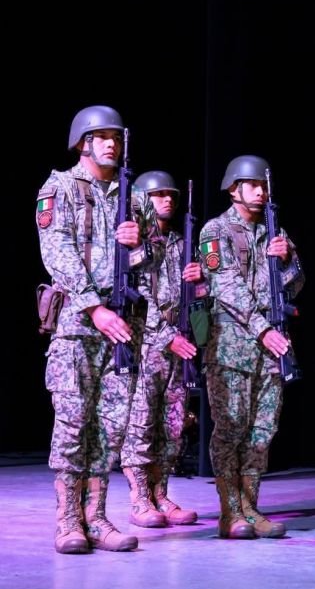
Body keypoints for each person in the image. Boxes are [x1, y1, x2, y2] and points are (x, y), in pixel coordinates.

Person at [35, 105, 162, 553]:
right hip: (77, 326)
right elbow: (58, 252)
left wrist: (139, 246)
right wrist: (93, 308)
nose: (111, 143)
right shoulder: (60, 188)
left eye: (116, 136)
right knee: (73, 426)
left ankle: (97, 518)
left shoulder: (136, 198)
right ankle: (68, 522)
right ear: (82, 143)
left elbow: (156, 259)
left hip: (122, 326)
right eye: (102, 135)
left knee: (110, 428)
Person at [199, 155, 304, 539]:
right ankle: (230, 513)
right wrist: (261, 329)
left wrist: (289, 260)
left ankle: (250, 507)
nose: (261, 191)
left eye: (264, 185)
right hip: (233, 346)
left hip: (271, 345)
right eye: (253, 184)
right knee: (231, 429)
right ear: (233, 188)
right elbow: (224, 286)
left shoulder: (275, 232)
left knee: (263, 430)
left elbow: (296, 284)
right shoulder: (216, 231)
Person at [120, 171, 204, 528]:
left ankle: (161, 493)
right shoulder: (139, 241)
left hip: (180, 341)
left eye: (170, 194)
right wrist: (165, 335)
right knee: (141, 421)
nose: (167, 200)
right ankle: (139, 498)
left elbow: (199, 298)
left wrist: (200, 281)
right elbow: (137, 294)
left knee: (172, 426)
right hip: (147, 342)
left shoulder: (181, 242)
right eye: (158, 195)